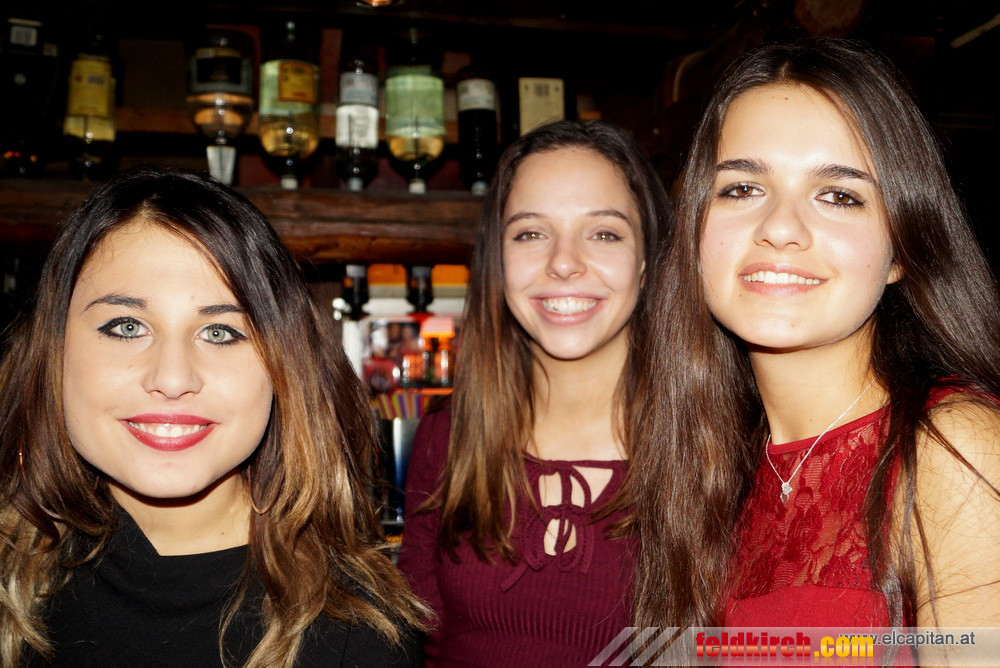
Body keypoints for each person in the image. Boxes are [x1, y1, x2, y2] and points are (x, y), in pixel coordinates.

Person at [633, 37, 1000, 640]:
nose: (780, 228)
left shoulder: (954, 450)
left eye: (838, 195)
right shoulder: (704, 462)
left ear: (901, 251)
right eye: (742, 189)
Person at [0, 165, 426, 667]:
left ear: (283, 367)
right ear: (51, 352)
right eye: (126, 326)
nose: (173, 377)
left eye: (220, 332)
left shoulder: (358, 638)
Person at [396, 120, 670, 664]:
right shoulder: (446, 437)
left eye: (604, 233)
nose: (563, 262)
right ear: (497, 262)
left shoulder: (717, 445)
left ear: (645, 262)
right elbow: (419, 644)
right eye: (530, 234)